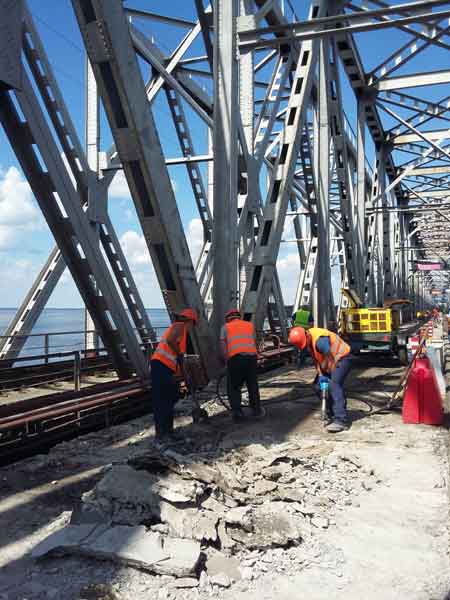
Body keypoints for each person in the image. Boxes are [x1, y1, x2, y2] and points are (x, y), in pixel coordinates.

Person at [288, 326, 353, 433]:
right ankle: (331, 412)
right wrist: (321, 374)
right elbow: (316, 360)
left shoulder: (320, 341)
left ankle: (341, 420)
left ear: (306, 335)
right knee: (318, 386)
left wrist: (329, 375)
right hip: (330, 360)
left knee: (333, 385)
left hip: (343, 358)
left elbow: (330, 357)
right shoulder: (309, 340)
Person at [150, 308, 198, 440]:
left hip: (164, 368)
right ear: (189, 321)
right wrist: (179, 353)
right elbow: (171, 341)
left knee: (168, 399)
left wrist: (183, 375)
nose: (192, 328)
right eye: (193, 325)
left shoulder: (180, 330)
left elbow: (177, 360)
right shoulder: (179, 326)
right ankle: (163, 433)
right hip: (160, 366)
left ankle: (167, 431)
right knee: (163, 400)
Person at [220, 308, 264, 423]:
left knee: (234, 386)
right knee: (252, 385)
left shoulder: (225, 327)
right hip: (251, 358)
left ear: (228, 318)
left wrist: (227, 362)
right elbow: (253, 341)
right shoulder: (249, 325)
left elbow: (223, 347)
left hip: (236, 358)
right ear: (239, 317)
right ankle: (256, 410)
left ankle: (238, 413)